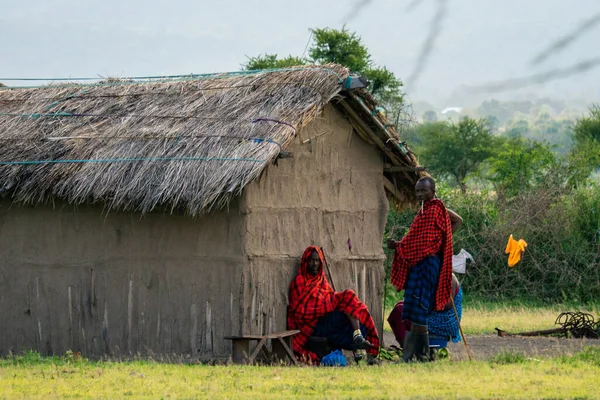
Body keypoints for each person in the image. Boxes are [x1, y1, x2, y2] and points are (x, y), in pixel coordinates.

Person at [386, 176, 458, 362]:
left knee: (421, 307)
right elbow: (416, 241)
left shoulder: (437, 209)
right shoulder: (422, 213)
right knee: (413, 308)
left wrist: (443, 243)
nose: (420, 194)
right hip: (418, 265)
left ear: (433, 191)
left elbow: (453, 225)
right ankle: (413, 355)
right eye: (417, 191)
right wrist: (399, 245)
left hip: (428, 265)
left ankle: (420, 356)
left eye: (423, 190)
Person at [287, 246, 380, 364]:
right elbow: (301, 310)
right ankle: (358, 345)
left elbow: (328, 297)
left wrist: (330, 303)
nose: (314, 264)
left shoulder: (321, 280)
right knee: (347, 296)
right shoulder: (299, 281)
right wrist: (328, 303)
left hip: (326, 320)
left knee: (358, 318)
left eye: (317, 261)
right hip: (311, 325)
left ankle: (361, 346)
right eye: (311, 261)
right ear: (305, 262)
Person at [388, 273, 463, 349]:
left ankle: (409, 349)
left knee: (401, 311)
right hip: (431, 311)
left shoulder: (449, 277)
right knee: (399, 307)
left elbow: (447, 304)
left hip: (443, 319)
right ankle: (407, 347)